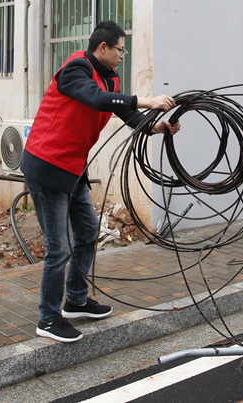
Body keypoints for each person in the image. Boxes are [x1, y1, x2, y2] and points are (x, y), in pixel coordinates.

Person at [22, 20, 180, 343]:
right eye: (121, 49)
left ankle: (76, 301)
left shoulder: (110, 79)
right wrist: (147, 100)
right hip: (47, 166)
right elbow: (93, 99)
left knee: (88, 230)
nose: (123, 54)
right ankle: (48, 318)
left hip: (72, 169)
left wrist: (159, 127)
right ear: (103, 47)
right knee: (59, 247)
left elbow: (129, 116)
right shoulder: (76, 68)